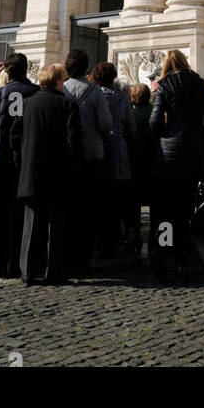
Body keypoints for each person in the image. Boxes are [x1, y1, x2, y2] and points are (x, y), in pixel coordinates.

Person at [148, 49, 204, 284]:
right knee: (183, 212)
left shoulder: (164, 85)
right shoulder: (200, 83)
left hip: (168, 157)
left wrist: (165, 132)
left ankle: (161, 259)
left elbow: (153, 123)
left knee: (163, 213)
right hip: (192, 155)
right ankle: (182, 262)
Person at [11, 64, 82, 285]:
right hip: (58, 173)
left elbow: (14, 135)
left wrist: (21, 161)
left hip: (31, 171)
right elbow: (74, 143)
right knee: (55, 224)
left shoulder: (25, 103)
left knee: (31, 224)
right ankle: (52, 271)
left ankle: (28, 271)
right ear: (59, 81)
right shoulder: (68, 104)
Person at [0, 53, 37, 277]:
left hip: (0, 159)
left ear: (7, 72)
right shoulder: (34, 92)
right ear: (26, 69)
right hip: (23, 160)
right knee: (20, 211)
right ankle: (16, 259)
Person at [63, 49, 113, 271]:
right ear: (86, 67)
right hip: (92, 154)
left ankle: (68, 249)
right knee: (90, 205)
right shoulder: (94, 91)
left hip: (68, 155)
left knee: (69, 204)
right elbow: (105, 124)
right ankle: (84, 252)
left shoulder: (61, 89)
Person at [93, 63, 135, 258]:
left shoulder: (92, 95)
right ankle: (113, 240)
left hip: (97, 154)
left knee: (98, 199)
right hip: (118, 154)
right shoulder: (123, 99)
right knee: (115, 200)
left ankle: (98, 240)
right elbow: (131, 128)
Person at [127, 83, 154, 252]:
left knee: (133, 204)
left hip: (134, 164)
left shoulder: (130, 115)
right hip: (153, 164)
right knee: (157, 205)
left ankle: (133, 236)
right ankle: (161, 239)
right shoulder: (155, 114)